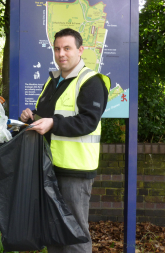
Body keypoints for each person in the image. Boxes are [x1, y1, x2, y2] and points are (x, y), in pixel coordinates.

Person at [20, 28, 110, 252]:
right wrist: (32, 115)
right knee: (54, 230)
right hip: (50, 167)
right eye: (57, 49)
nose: (61, 53)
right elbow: (48, 114)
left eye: (67, 48)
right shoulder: (53, 81)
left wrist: (53, 123)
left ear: (80, 50)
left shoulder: (91, 82)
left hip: (75, 171)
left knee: (74, 233)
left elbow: (87, 122)